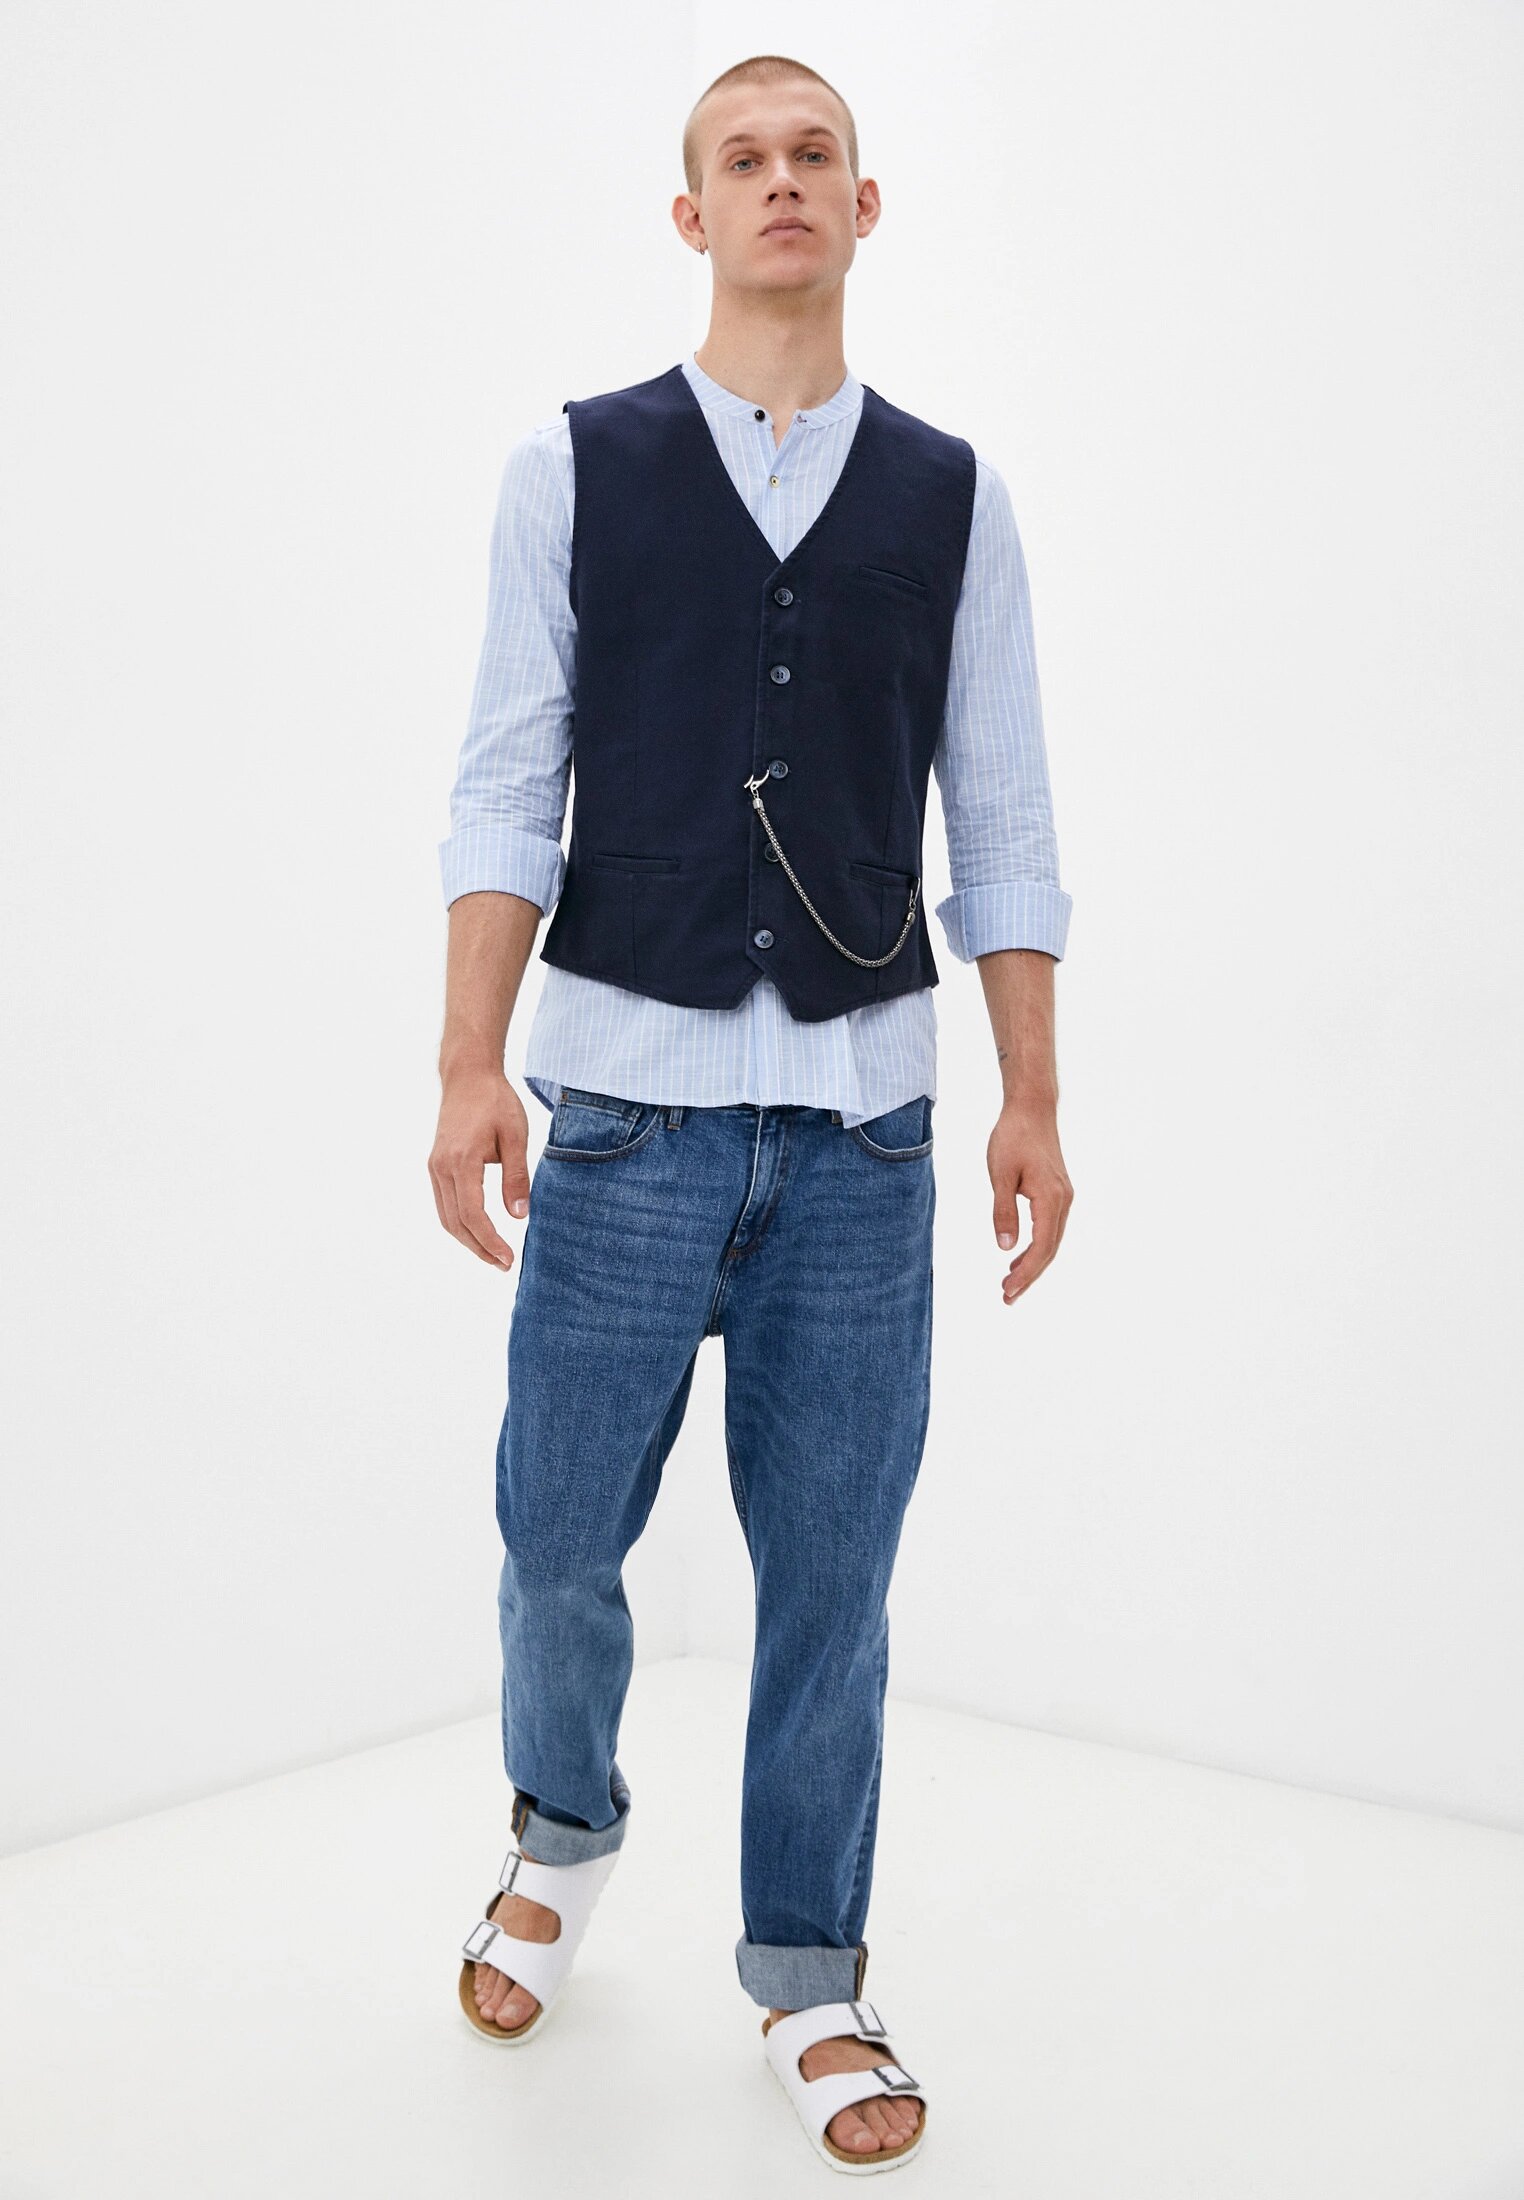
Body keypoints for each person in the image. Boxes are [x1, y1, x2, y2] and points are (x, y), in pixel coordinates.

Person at [429, 50, 1074, 2173]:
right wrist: (467, 1064)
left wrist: (1033, 1097)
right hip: (623, 1117)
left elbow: (1004, 817)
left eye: (816, 157)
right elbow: (508, 781)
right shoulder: (572, 468)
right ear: (690, 212)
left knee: (832, 1584)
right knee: (552, 1538)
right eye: (744, 157)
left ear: (864, 209)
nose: (781, 182)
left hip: (867, 1136)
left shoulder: (955, 500)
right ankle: (562, 1828)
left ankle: (809, 1969)